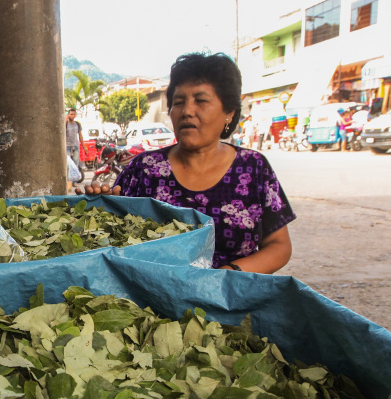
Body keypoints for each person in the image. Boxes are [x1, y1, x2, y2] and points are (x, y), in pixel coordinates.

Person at [78, 53, 295, 274]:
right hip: (155, 300)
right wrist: (96, 207)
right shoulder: (144, 168)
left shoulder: (254, 168)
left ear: (229, 112)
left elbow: (279, 246)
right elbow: (114, 237)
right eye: (179, 103)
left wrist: (224, 277)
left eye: (201, 101)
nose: (187, 111)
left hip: (232, 298)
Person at [65, 109, 84, 175]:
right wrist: (66, 118)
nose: (73, 116)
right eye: (71, 114)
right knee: (68, 164)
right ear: (68, 115)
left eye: (74, 114)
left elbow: (80, 135)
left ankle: (74, 182)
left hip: (75, 145)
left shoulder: (77, 124)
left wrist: (83, 146)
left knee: (76, 164)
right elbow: (62, 128)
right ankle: (68, 181)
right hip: (67, 146)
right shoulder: (66, 123)